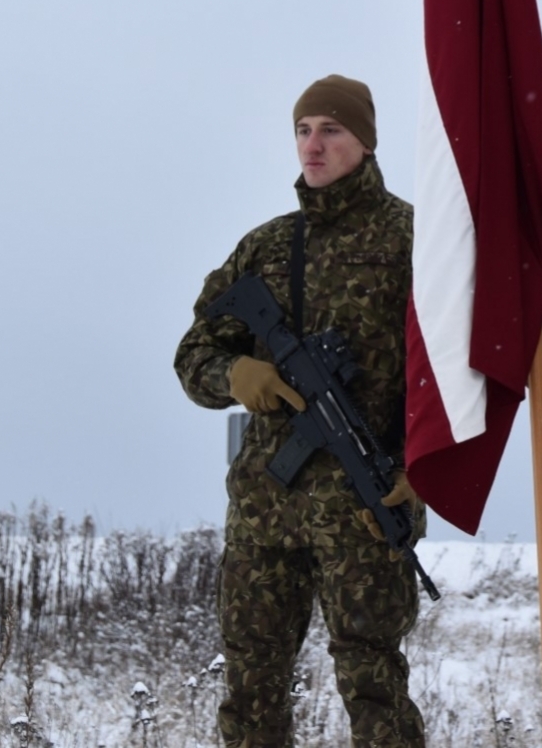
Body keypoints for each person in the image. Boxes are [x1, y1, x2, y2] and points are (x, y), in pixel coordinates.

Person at [174, 74, 425, 748]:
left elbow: (453, 378)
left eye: (331, 130)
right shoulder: (265, 248)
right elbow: (193, 353)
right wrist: (236, 373)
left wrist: (425, 470)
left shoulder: (414, 239)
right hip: (265, 510)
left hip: (368, 507)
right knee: (252, 688)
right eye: (303, 129)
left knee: (375, 686)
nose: (313, 145)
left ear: (365, 143)